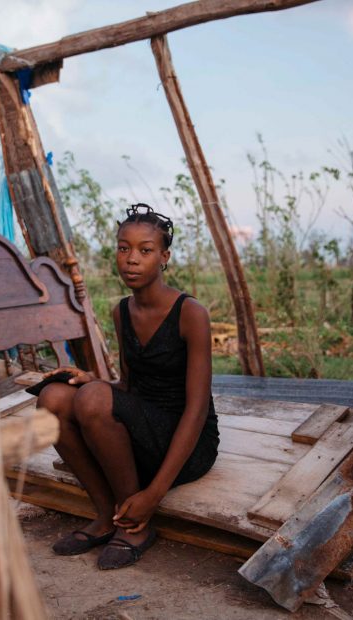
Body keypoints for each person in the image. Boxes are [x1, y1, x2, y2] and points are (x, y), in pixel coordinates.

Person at [37, 203, 219, 570]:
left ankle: (137, 526)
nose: (131, 259)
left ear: (164, 256)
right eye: (124, 248)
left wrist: (154, 493)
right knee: (53, 397)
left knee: (91, 399)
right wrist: (96, 382)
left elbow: (197, 410)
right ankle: (107, 516)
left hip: (186, 444)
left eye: (145, 250)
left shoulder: (190, 314)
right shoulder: (122, 311)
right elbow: (131, 386)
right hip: (140, 432)